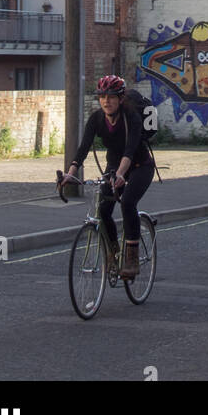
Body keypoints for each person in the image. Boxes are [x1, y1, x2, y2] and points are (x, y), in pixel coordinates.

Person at [59, 75, 155, 279]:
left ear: (120, 99)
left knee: (128, 202)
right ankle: (113, 254)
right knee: (103, 210)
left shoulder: (131, 117)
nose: (106, 101)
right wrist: (70, 173)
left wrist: (121, 174)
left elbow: (129, 150)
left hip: (140, 165)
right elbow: (83, 148)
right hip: (114, 166)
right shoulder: (96, 119)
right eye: (102, 96)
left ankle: (131, 259)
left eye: (111, 97)